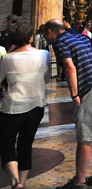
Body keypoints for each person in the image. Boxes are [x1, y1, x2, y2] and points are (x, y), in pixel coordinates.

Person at [45, 19, 92, 189]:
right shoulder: (82, 37)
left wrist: (75, 93)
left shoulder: (59, 42)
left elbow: (70, 68)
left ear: (49, 32)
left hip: (90, 88)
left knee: (85, 138)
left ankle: (79, 181)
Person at [0, 24, 49, 189]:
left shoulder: (8, 58)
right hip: (37, 105)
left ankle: (15, 183)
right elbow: (46, 78)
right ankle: (23, 182)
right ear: (30, 38)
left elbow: (0, 80)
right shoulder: (44, 54)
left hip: (13, 107)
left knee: (7, 144)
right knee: (25, 144)